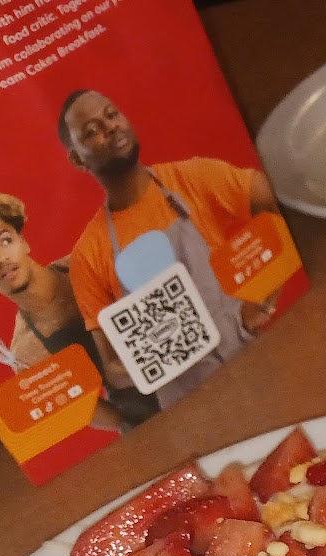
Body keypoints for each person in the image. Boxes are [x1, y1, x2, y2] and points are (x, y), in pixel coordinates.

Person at [59, 88, 284, 411]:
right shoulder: (88, 255)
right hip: (188, 406)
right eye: (92, 131)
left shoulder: (193, 178)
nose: (110, 127)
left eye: (112, 115)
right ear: (77, 159)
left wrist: (263, 302)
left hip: (255, 359)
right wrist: (161, 358)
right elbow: (114, 370)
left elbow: (268, 198)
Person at [0, 191, 152, 431]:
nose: (0, 258)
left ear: (23, 242)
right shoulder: (27, 353)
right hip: (146, 418)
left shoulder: (89, 262)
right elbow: (116, 421)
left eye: (5, 240)